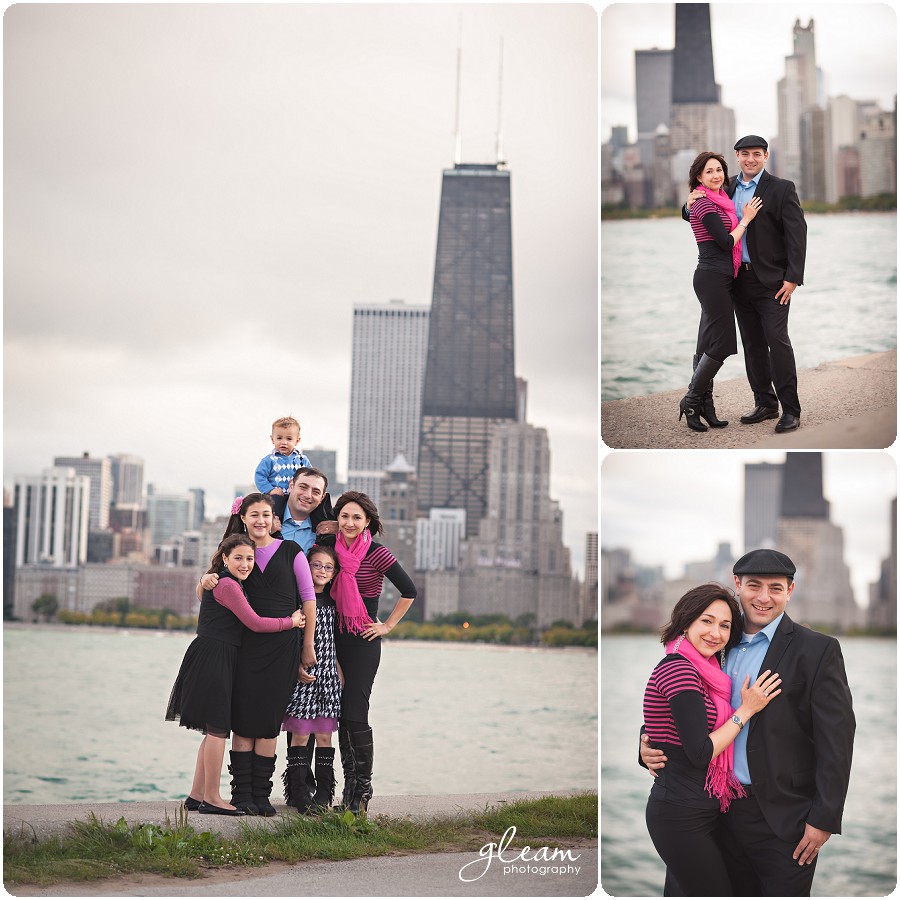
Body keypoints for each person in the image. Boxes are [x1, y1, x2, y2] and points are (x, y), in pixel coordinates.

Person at [641, 549, 855, 896]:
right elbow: (675, 702)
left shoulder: (817, 650)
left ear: (790, 591)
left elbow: (838, 740)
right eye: (754, 585)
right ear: (737, 585)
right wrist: (646, 741)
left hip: (782, 817)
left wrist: (823, 818)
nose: (763, 597)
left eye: (775, 587)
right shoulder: (716, 640)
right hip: (713, 810)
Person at [643, 584, 782, 895]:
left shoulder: (707, 670)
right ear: (686, 621)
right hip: (680, 814)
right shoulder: (679, 670)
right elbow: (699, 752)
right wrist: (745, 710)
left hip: (708, 809)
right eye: (706, 621)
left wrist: (645, 739)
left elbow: (669, 723)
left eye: (724, 625)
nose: (715, 633)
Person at [166, 534, 305, 815]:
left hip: (216, 654)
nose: (245, 564)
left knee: (212, 731)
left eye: (250, 558)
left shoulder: (229, 583)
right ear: (224, 559)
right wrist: (290, 622)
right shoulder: (227, 585)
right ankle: (213, 798)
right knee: (217, 730)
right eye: (238, 558)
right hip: (214, 655)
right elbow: (254, 623)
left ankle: (196, 795)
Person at [198, 493, 316, 816]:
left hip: (283, 648)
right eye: (255, 515)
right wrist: (203, 580)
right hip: (245, 647)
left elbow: (308, 601)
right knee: (243, 722)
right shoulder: (236, 554)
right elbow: (212, 584)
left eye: (267, 514)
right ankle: (242, 794)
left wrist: (308, 645)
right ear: (244, 518)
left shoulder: (292, 551)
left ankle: (262, 795)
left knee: (268, 722)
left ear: (274, 519)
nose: (261, 520)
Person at [684, 136, 807, 433]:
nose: (750, 159)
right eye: (744, 154)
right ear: (737, 156)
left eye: (757, 154)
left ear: (765, 156)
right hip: (737, 280)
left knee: (777, 342)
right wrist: (687, 204)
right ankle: (765, 402)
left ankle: (790, 410)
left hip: (773, 282)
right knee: (752, 344)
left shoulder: (781, 188)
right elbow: (696, 210)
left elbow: (797, 235)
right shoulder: (726, 185)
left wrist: (792, 279)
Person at [331, 491, 417, 814]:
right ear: (336, 519)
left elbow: (409, 590)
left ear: (368, 521)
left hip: (364, 641)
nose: (350, 522)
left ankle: (362, 792)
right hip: (334, 640)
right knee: (340, 716)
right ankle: (348, 792)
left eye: (357, 517)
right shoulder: (329, 550)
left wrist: (387, 626)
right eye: (344, 516)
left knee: (356, 712)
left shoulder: (377, 554)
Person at [679, 151, 762, 432]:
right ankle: (691, 400)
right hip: (712, 278)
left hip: (721, 278)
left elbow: (687, 213)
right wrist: (746, 219)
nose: (715, 175)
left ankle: (705, 406)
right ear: (699, 178)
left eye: (719, 170)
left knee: (706, 343)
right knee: (723, 343)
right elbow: (726, 243)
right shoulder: (704, 204)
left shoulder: (719, 199)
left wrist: (686, 205)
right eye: (709, 172)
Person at [282, 544, 343, 812]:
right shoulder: (298, 601)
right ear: (306, 568)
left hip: (328, 677)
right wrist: (295, 665)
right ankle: (298, 793)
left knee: (325, 736)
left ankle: (324, 794)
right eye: (316, 565)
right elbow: (293, 639)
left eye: (328, 567)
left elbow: (337, 643)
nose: (322, 570)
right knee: (299, 736)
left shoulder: (335, 602)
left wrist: (339, 670)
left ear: (334, 573)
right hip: (302, 676)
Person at [254, 416, 313, 519]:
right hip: (277, 495)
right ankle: (275, 528)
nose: (284, 442)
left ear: (297, 440)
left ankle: (319, 527)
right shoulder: (269, 460)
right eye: (279, 438)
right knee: (275, 509)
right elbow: (260, 477)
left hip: (297, 496)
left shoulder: (302, 460)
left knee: (314, 504)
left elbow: (312, 476)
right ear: (272, 439)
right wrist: (270, 490)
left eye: (289, 439)